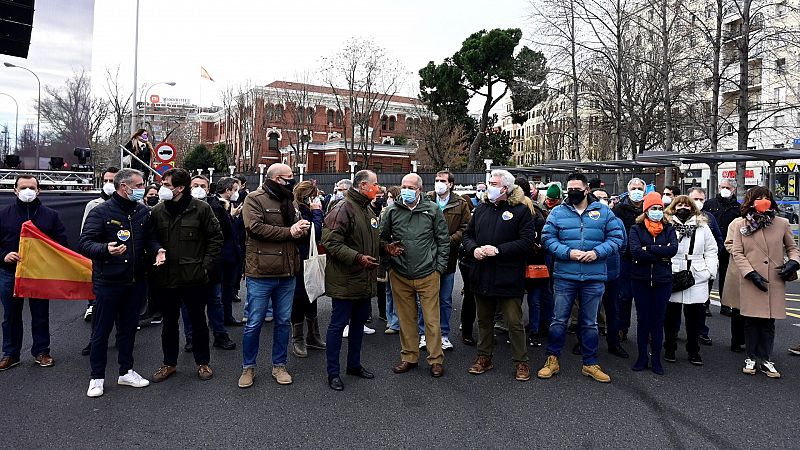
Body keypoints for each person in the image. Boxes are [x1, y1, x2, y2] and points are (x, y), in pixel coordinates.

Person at [79, 168, 166, 397]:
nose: (142, 189)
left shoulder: (142, 211)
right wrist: (106, 249)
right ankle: (96, 377)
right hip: (108, 281)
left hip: (136, 280)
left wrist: (158, 250)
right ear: (123, 187)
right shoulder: (101, 211)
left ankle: (126, 371)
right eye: (138, 186)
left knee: (128, 329)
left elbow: (150, 238)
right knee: (101, 330)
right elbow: (85, 243)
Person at [538, 173, 624, 383]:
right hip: (565, 275)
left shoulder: (604, 212)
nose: (573, 192)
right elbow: (547, 238)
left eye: (577, 189)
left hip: (594, 276)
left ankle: (590, 363)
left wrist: (597, 252)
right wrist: (568, 252)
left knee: (590, 323)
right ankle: (552, 359)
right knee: (558, 320)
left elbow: (617, 238)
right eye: (570, 189)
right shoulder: (558, 212)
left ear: (586, 190)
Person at [238, 163, 310, 388]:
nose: (293, 180)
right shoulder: (254, 199)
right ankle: (248, 367)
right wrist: (290, 231)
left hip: (287, 271)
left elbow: (293, 231)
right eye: (289, 177)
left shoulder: (289, 200)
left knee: (282, 322)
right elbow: (254, 228)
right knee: (254, 323)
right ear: (278, 179)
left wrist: (301, 227)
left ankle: (279, 365)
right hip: (261, 272)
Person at [149, 168, 223, 383]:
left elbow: (216, 239)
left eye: (167, 185)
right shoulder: (157, 211)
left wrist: (205, 267)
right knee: (169, 323)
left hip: (195, 278)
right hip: (166, 278)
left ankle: (203, 363)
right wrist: (156, 252)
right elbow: (151, 238)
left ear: (180, 188)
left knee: (199, 322)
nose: (163, 188)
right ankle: (169, 363)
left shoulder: (201, 209)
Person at [462, 170, 536, 381]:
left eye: (494, 183)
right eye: (490, 183)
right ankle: (484, 356)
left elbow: (526, 242)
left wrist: (499, 250)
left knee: (514, 321)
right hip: (482, 272)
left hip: (508, 275)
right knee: (484, 320)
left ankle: (521, 361)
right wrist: (473, 249)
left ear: (506, 188)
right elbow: (468, 235)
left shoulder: (521, 211)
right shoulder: (481, 209)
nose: (490, 187)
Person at [380, 173, 449, 378]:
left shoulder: (432, 210)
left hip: (428, 272)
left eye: (410, 187)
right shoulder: (392, 211)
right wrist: (388, 251)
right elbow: (381, 239)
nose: (406, 190)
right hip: (400, 273)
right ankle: (409, 356)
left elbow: (443, 240)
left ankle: (436, 359)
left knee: (431, 320)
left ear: (419, 189)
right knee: (406, 319)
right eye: (403, 186)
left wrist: (439, 268)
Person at [0, 175, 68, 371]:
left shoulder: (50, 215)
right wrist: (4, 255)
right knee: (10, 315)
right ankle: (10, 354)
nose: (27, 191)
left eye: (31, 187)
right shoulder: (4, 215)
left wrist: (46, 254)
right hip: (10, 273)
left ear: (39, 191)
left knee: (40, 314)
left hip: (39, 274)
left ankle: (41, 351)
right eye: (23, 187)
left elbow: (61, 242)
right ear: (14, 190)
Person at [321, 170, 381, 391]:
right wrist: (357, 258)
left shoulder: (366, 209)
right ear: (363, 185)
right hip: (345, 280)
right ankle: (333, 372)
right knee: (338, 327)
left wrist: (385, 248)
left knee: (357, 326)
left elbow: (370, 239)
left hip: (363, 279)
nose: (378, 187)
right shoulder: (342, 209)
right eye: (375, 184)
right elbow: (331, 243)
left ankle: (354, 365)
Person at [731, 187, 799, 378]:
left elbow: (792, 248)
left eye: (766, 198)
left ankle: (766, 358)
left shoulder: (782, 223)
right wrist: (750, 273)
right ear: (751, 201)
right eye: (758, 198)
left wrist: (793, 262)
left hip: (774, 278)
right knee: (751, 321)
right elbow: (737, 252)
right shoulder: (740, 225)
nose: (763, 201)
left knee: (769, 322)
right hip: (751, 278)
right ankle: (751, 357)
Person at [179, 175, 236, 351]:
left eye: (202, 185)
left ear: (208, 188)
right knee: (188, 306)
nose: (198, 188)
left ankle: (220, 335)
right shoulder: (179, 206)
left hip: (212, 265)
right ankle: (191, 338)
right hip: (187, 266)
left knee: (215, 302)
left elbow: (225, 233)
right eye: (195, 185)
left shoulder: (217, 207)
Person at [663, 195, 718, 367]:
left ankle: (693, 350)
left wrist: (710, 272)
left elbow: (711, 250)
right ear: (673, 207)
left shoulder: (702, 227)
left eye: (687, 205)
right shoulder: (667, 225)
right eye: (679, 204)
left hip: (697, 273)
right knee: (670, 316)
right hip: (673, 270)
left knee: (694, 318)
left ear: (693, 208)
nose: (683, 208)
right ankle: (669, 347)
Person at [418, 170, 471, 351]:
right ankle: (424, 334)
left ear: (450, 184)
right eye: (436, 180)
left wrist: (447, 240)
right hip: (425, 258)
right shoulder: (425, 199)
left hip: (448, 257)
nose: (438, 183)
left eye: (442, 181)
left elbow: (466, 229)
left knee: (445, 299)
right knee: (425, 299)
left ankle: (444, 334)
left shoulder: (461, 204)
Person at [628, 192, 678, 374]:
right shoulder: (636, 228)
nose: (656, 211)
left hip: (662, 280)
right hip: (640, 280)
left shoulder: (669, 228)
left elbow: (672, 249)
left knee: (658, 321)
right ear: (646, 210)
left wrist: (648, 248)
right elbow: (635, 251)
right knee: (643, 320)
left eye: (659, 208)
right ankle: (642, 357)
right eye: (652, 208)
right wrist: (660, 254)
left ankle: (656, 359)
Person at [290, 181, 325, 358]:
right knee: (299, 298)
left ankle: (313, 335)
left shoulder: (305, 209)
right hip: (298, 260)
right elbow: (315, 231)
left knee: (312, 295)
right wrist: (317, 212)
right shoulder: (298, 210)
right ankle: (298, 338)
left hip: (308, 258)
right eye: (314, 194)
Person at [80, 167, 120, 323]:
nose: (109, 184)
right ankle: (93, 306)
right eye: (106, 181)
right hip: (99, 255)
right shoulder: (93, 205)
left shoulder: (133, 203)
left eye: (112, 181)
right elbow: (85, 234)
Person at [592, 188, 628, 359]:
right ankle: (585, 342)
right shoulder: (586, 221)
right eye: (598, 198)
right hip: (591, 273)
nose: (601, 201)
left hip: (612, 273)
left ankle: (614, 343)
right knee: (589, 311)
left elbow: (622, 246)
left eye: (604, 198)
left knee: (613, 310)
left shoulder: (616, 221)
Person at [687, 187, 722, 345]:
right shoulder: (675, 217)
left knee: (700, 304)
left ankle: (700, 332)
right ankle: (671, 336)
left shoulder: (709, 218)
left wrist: (710, 267)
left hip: (701, 268)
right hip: (681, 267)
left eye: (701, 199)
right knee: (673, 305)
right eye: (695, 199)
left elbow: (717, 242)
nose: (698, 202)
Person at [613, 177, 646, 342]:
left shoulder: (649, 208)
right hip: (625, 258)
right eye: (633, 188)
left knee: (645, 297)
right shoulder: (619, 209)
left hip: (645, 258)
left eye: (640, 188)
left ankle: (645, 330)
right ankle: (621, 328)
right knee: (624, 296)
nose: (637, 191)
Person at [703, 179, 741, 318]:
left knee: (726, 277)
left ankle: (725, 305)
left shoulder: (738, 207)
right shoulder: (710, 204)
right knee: (708, 276)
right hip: (711, 246)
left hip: (728, 247)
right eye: (722, 187)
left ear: (734, 190)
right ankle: (705, 303)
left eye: (728, 187)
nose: (725, 189)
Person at [210, 177, 245, 327]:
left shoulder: (228, 205)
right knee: (217, 293)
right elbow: (222, 231)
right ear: (227, 190)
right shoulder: (215, 206)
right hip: (221, 255)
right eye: (235, 190)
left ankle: (227, 316)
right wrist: (232, 216)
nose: (237, 193)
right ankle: (217, 321)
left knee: (228, 289)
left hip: (231, 255)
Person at [721, 215, 746, 352]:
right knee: (738, 309)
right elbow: (728, 244)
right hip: (739, 270)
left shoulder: (770, 223)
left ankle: (753, 341)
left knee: (757, 310)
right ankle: (736, 340)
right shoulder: (737, 223)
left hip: (761, 270)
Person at [381, 187, 401, 335]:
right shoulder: (385, 212)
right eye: (387, 196)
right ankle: (390, 320)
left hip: (398, 257)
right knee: (388, 291)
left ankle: (396, 321)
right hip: (387, 257)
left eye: (391, 197)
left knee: (397, 292)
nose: (389, 199)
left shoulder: (399, 213)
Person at [368, 186, 388, 323]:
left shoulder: (386, 210)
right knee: (368, 284)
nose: (379, 198)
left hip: (380, 251)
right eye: (377, 195)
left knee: (381, 285)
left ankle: (383, 312)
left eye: (382, 196)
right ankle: (367, 314)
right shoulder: (368, 209)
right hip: (369, 249)